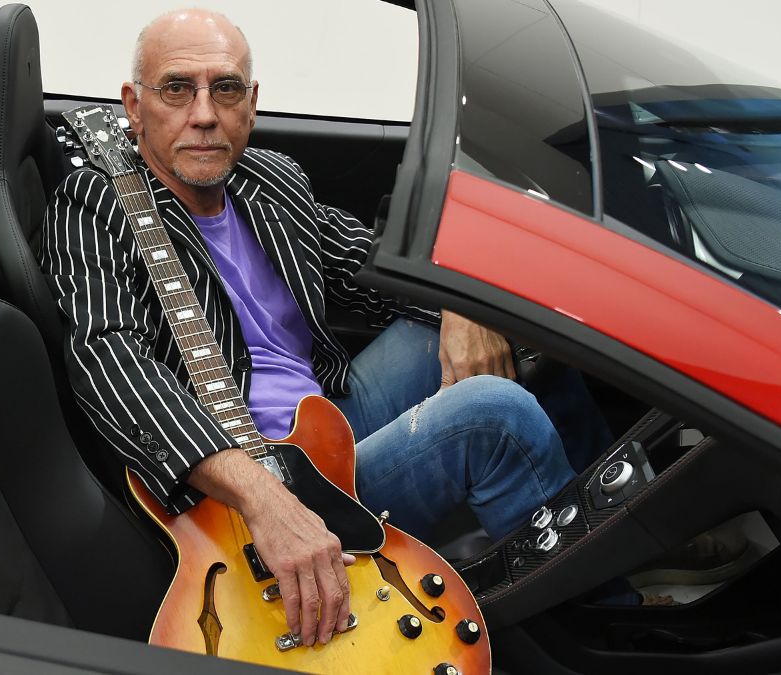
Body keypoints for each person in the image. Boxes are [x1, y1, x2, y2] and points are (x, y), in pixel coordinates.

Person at [40, 9, 577, 648]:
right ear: (134, 105)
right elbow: (111, 357)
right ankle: (597, 620)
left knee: (540, 329)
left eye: (227, 88)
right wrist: (266, 500)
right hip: (232, 484)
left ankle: (623, 522)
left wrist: (467, 309)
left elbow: (376, 271)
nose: (205, 113)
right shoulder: (92, 203)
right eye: (177, 89)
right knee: (497, 413)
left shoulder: (272, 182)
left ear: (253, 102)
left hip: (328, 414)